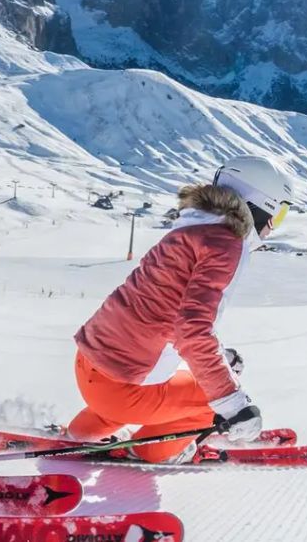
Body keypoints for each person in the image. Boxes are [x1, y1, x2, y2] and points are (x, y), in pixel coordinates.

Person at [67, 154, 294, 463]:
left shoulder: (192, 227)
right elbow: (192, 329)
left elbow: (164, 311)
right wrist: (233, 405)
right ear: (259, 205)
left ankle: (81, 434)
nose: (273, 227)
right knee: (210, 400)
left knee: (180, 384)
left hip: (90, 367)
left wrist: (220, 358)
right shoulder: (227, 243)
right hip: (123, 389)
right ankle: (155, 451)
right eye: (279, 214)